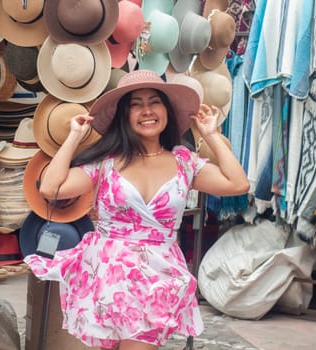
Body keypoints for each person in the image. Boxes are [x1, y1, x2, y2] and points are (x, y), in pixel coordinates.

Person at [24, 69, 250, 350]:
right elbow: (50, 188)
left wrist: (211, 135)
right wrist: (74, 137)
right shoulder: (105, 164)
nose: (146, 111)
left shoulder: (184, 163)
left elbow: (238, 183)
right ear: (125, 116)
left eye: (154, 101)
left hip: (158, 280)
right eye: (136, 104)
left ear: (166, 111)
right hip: (108, 277)